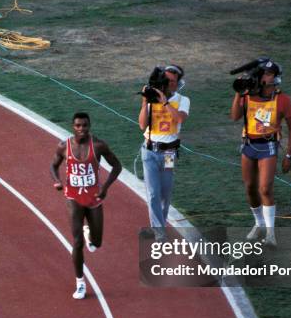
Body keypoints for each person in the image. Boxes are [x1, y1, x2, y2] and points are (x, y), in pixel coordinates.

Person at [50, 112, 122, 299]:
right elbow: (53, 166)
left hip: (94, 197)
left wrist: (105, 187)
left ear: (90, 126)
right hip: (73, 198)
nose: (82, 129)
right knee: (77, 242)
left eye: (85, 125)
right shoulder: (63, 147)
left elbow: (117, 166)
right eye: (78, 126)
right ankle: (80, 282)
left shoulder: (98, 145)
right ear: (72, 127)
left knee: (97, 243)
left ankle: (89, 233)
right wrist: (57, 181)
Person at [230, 59, 291, 247]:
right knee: (250, 187)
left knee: (265, 188)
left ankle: (270, 233)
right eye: (265, 74)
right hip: (248, 145)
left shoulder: (282, 99)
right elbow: (235, 116)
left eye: (271, 74)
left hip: (268, 146)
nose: (268, 77)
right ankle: (258, 223)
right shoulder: (248, 94)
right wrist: (238, 94)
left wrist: (289, 155)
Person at [138, 65, 190, 240]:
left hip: (169, 153)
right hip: (150, 151)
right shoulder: (152, 100)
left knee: (165, 193)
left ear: (178, 84)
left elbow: (179, 118)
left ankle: (159, 226)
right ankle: (159, 232)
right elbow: (142, 125)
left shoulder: (183, 100)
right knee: (153, 193)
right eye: (166, 80)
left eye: (172, 81)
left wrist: (165, 102)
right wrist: (145, 102)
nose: (168, 84)